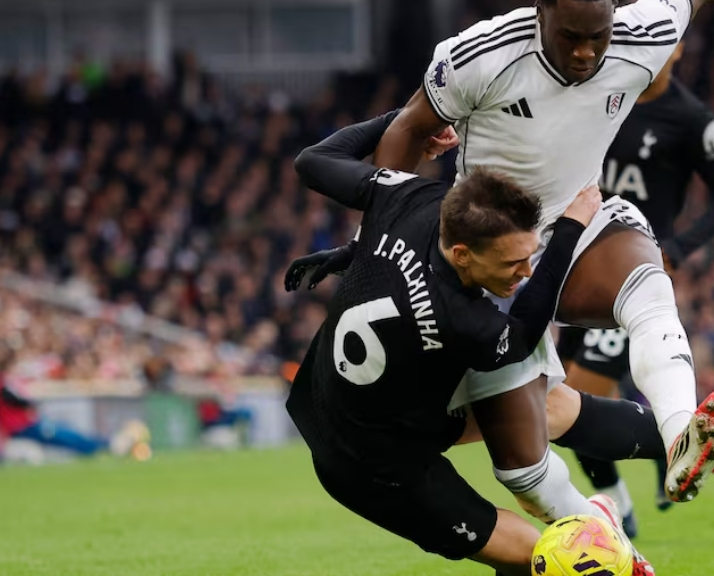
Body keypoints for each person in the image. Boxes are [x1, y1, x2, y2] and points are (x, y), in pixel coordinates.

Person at [366, 0, 714, 506]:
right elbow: (407, 129)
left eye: (596, 35)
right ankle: (602, 541)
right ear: (540, 9)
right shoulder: (481, 55)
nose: (585, 51)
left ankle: (683, 433)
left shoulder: (638, 36)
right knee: (525, 454)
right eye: (570, 35)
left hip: (579, 222)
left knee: (649, 289)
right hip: (488, 253)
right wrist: (379, 246)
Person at [286, 110, 668, 575]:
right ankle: (607, 535)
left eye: (529, 257)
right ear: (463, 255)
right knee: (541, 559)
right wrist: (569, 229)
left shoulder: (405, 196)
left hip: (350, 402)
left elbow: (313, 160)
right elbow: (522, 335)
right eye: (512, 265)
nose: (525, 272)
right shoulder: (459, 317)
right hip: (374, 466)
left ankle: (680, 435)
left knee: (546, 408)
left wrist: (417, 117)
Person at [554, 34, 714, 534]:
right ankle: (641, 474)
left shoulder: (692, 120)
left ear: (679, 50)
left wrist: (678, 247)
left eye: (661, 42)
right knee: (565, 399)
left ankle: (638, 484)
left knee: (574, 401)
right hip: (577, 271)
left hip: (633, 277)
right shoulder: (601, 94)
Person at [0, 351, 150, 460]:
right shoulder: (1, 385)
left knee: (69, 434)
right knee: (67, 436)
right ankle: (109, 445)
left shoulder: (1, 384)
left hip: (26, 426)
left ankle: (105, 445)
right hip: (22, 428)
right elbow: (19, 401)